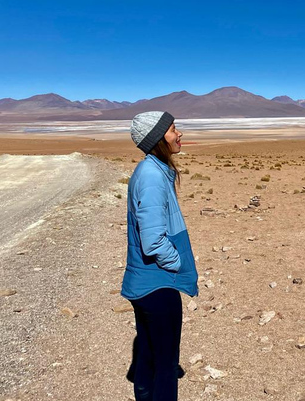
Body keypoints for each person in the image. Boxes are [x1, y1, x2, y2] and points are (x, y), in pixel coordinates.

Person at [122, 111, 198, 401]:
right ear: (157, 139)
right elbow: (153, 241)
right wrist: (177, 264)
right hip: (157, 284)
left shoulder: (152, 170)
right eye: (172, 130)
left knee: (149, 356)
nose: (179, 134)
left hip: (146, 285)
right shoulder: (153, 176)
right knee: (165, 366)